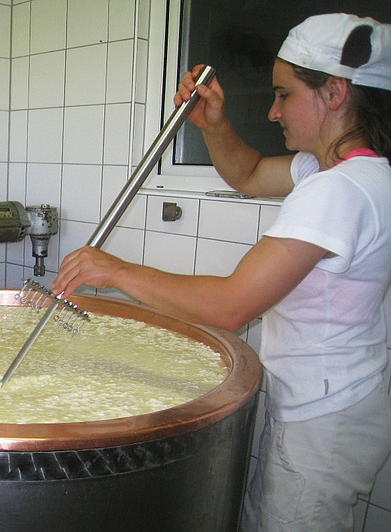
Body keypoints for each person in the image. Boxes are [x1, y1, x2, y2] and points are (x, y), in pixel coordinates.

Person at [52, 13, 391, 532]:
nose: (274, 112)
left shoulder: (340, 190)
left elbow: (232, 307)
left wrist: (116, 270)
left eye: (284, 94)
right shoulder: (346, 172)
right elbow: (250, 173)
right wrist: (215, 125)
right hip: (333, 398)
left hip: (324, 416)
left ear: (335, 93)